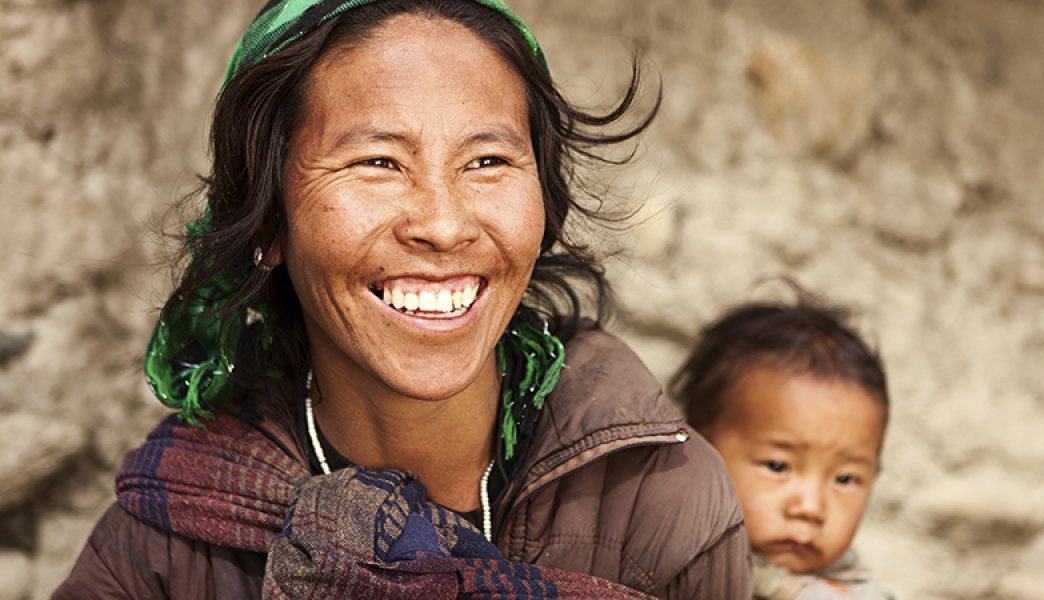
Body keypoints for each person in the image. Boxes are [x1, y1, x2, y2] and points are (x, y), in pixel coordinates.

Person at [54, 1, 750, 597]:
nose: (444, 224)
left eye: (488, 161)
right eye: (378, 162)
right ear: (268, 220)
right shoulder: (172, 538)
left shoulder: (657, 498)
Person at [671, 296, 893, 600]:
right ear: (699, 450)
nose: (811, 508)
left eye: (845, 479)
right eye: (778, 466)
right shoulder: (665, 566)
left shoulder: (852, 589)